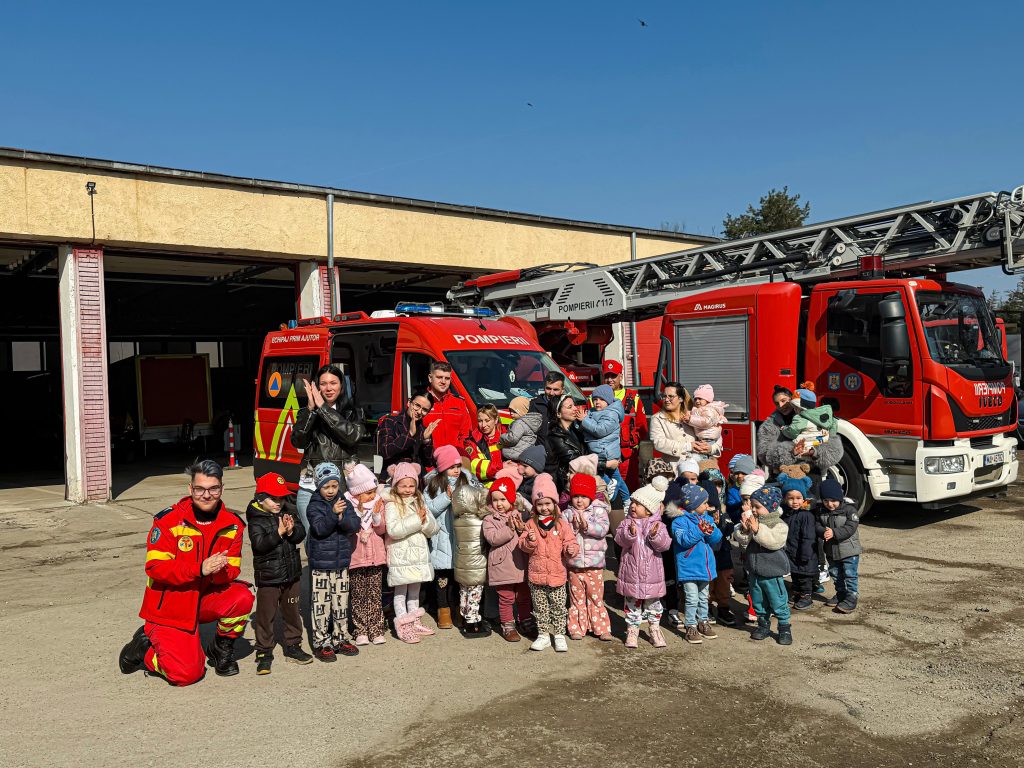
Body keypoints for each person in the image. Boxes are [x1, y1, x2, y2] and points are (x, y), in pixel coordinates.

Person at [118, 460, 254, 685]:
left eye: (213, 489)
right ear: (190, 489)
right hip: (171, 605)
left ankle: (221, 648)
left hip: (203, 598)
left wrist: (218, 571)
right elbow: (155, 568)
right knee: (187, 674)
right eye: (200, 489)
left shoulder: (233, 525)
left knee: (242, 597)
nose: (206, 495)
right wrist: (199, 569)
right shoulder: (168, 521)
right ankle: (145, 650)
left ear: (222, 488)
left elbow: (232, 570)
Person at [246, 472, 312, 674]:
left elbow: (300, 534)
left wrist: (291, 531)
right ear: (260, 498)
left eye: (281, 498)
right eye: (273, 499)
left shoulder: (287, 512)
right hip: (269, 577)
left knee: (292, 612)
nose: (278, 503)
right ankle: (264, 650)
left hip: (291, 574)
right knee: (266, 615)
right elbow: (259, 545)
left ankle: (293, 645)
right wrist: (278, 533)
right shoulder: (256, 519)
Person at [291, 364, 365, 530]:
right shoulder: (306, 412)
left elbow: (352, 437)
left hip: (343, 488)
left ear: (341, 385)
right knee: (313, 537)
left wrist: (323, 408)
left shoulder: (354, 412)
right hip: (311, 487)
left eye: (333, 383)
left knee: (342, 538)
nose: (328, 388)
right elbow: (298, 442)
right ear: (317, 387)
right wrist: (311, 410)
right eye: (323, 384)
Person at [306, 462, 361, 661]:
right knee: (321, 605)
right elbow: (319, 528)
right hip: (321, 565)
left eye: (334, 486)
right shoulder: (314, 505)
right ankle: (321, 641)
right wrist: (333, 514)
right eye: (326, 487)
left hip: (340, 563)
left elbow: (354, 525)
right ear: (318, 486)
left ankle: (340, 637)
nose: (331, 491)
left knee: (340, 603)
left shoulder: (343, 501)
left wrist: (341, 517)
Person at [519, 473, 579, 653]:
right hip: (536, 575)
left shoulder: (561, 524)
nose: (544, 508)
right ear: (535, 505)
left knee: (559, 607)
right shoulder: (531, 524)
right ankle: (543, 635)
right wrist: (529, 541)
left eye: (548, 503)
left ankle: (559, 635)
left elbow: (571, 542)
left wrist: (571, 549)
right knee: (540, 608)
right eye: (540, 504)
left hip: (557, 575)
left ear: (554, 503)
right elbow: (523, 545)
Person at [384, 462, 441, 643]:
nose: (408, 490)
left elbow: (433, 528)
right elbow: (393, 530)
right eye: (403, 485)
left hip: (418, 556)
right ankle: (403, 624)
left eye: (411, 485)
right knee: (401, 592)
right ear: (395, 485)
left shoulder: (420, 501)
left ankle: (414, 620)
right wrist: (417, 519)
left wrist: (424, 521)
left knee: (415, 591)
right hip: (401, 556)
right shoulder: (392, 504)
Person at [614, 476, 671, 649]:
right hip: (631, 575)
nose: (633, 506)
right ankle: (632, 631)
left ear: (649, 510)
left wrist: (655, 536)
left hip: (652, 576)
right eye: (632, 502)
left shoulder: (658, 526)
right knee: (632, 605)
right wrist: (630, 534)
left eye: (638, 504)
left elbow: (665, 545)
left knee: (654, 605)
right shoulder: (626, 523)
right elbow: (619, 540)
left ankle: (654, 629)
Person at [732, 486, 793, 645]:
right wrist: (745, 530)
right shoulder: (754, 520)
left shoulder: (779, 525)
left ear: (770, 507)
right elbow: (743, 541)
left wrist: (757, 529)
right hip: (754, 571)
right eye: (752, 506)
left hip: (772, 572)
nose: (753, 509)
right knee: (758, 600)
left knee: (778, 601)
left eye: (757, 507)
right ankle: (763, 624)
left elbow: (773, 542)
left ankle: (784, 627)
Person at [423, 444, 472, 631]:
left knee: (457, 579)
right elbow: (429, 510)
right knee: (442, 579)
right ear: (443, 468)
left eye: (458, 466)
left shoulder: (465, 481)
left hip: (460, 538)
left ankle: (457, 608)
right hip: (441, 540)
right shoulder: (433, 485)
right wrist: (446, 497)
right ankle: (443, 611)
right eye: (452, 467)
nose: (456, 470)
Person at [669, 483, 723, 645]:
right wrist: (700, 530)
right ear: (693, 505)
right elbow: (684, 540)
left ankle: (703, 621)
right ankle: (690, 626)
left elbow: (717, 538)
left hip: (705, 567)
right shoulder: (679, 522)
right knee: (692, 598)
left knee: (704, 597)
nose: (707, 506)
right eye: (704, 503)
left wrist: (711, 530)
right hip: (689, 568)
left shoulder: (707, 518)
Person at [562, 473, 613, 641]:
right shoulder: (567, 514)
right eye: (576, 496)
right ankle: (577, 627)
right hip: (574, 563)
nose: (579, 500)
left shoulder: (599, 510)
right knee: (576, 598)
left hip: (594, 564)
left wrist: (587, 526)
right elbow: (563, 534)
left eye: (584, 496)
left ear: (591, 496)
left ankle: (601, 627)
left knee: (596, 597)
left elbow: (603, 529)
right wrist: (574, 531)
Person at [482, 476, 533, 643]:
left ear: (511, 499)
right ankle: (508, 625)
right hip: (502, 565)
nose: (499, 504)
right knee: (506, 597)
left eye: (503, 499)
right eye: (495, 500)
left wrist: (522, 529)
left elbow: (527, 534)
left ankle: (525, 620)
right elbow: (493, 539)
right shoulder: (489, 519)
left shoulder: (519, 515)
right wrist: (510, 529)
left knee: (524, 595)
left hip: (520, 564)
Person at [344, 462, 389, 646]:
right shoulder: (348, 505)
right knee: (358, 595)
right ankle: (360, 629)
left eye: (373, 491)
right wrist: (357, 514)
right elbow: (347, 529)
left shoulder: (378, 503)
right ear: (356, 493)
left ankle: (376, 629)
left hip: (375, 557)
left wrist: (376, 516)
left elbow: (382, 529)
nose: (372, 495)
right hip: (356, 557)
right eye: (368, 492)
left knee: (375, 595)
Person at [757, 383, 844, 478]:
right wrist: (792, 452)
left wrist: (814, 452)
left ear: (792, 399)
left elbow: (834, 449)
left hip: (811, 472)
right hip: (784, 474)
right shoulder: (770, 425)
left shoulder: (815, 418)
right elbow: (764, 455)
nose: (781, 405)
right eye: (777, 403)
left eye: (783, 401)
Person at [546, 394, 616, 494]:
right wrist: (606, 464)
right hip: (568, 487)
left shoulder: (577, 429)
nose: (575, 409)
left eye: (574, 405)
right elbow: (576, 461)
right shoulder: (555, 436)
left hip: (584, 480)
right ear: (558, 414)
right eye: (570, 407)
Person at [600, 360, 649, 494]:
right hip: (604, 456)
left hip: (627, 456)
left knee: (630, 490)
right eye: (607, 376)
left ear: (621, 376)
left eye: (613, 376)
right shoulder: (595, 398)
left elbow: (642, 427)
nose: (610, 380)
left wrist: (630, 448)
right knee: (605, 492)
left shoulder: (633, 397)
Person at [451, 475, 490, 637]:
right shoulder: (480, 521)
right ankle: (472, 622)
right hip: (477, 564)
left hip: (462, 564)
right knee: (475, 592)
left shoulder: (457, 521)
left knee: (464, 591)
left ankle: (463, 615)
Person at [816, 478, 863, 614]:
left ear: (840, 498)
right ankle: (841, 593)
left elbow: (851, 527)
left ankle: (852, 597)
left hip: (849, 550)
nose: (830, 504)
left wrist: (834, 533)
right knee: (835, 574)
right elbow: (817, 525)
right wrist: (823, 531)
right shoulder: (821, 511)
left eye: (833, 500)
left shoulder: (849, 510)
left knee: (849, 574)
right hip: (831, 550)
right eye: (826, 501)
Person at [581, 383, 628, 507]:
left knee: (604, 475)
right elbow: (586, 428)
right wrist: (580, 421)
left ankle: (620, 498)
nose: (597, 402)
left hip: (605, 452)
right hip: (600, 450)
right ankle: (627, 500)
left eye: (601, 399)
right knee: (617, 479)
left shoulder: (611, 414)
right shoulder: (593, 412)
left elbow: (600, 430)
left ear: (608, 401)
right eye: (595, 399)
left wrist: (584, 420)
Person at [648, 382, 717, 464]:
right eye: (664, 396)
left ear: (680, 398)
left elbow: (714, 434)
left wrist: (711, 448)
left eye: (671, 396)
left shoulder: (693, 416)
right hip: (674, 468)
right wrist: (688, 446)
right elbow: (658, 443)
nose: (666, 400)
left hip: (699, 466)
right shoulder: (657, 418)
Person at [376, 389, 439, 477]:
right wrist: (409, 434)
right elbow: (385, 451)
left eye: (424, 410)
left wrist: (426, 441)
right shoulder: (390, 421)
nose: (419, 412)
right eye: (417, 405)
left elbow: (428, 463)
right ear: (409, 403)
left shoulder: (423, 429)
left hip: (416, 480)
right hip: (393, 477)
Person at [779, 471, 817, 612]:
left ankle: (806, 596)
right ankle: (796, 592)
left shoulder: (806, 515)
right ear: (785, 499)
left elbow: (808, 536)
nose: (795, 502)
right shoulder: (785, 514)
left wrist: (806, 553)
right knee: (795, 574)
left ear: (804, 498)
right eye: (791, 498)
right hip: (792, 550)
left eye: (798, 498)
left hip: (805, 553)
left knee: (804, 576)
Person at [422, 361, 472, 450]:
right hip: (428, 457)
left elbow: (466, 435)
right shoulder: (420, 402)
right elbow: (413, 434)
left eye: (447, 378)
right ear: (430, 378)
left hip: (455, 456)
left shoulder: (459, 402)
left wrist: (461, 453)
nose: (443, 381)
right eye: (439, 377)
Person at [687, 384, 728, 463]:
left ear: (708, 399)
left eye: (700, 398)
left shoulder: (709, 410)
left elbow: (706, 422)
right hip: (706, 438)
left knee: (703, 458)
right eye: (695, 399)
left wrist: (690, 419)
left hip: (707, 439)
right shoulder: (701, 409)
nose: (697, 401)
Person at [465, 404, 504, 482]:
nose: (483, 425)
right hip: (484, 485)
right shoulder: (471, 442)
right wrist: (501, 468)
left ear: (496, 420)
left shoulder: (507, 436)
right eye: (480, 421)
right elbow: (473, 466)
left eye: (487, 420)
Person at [499, 396, 543, 461]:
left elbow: (512, 439)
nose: (511, 413)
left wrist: (501, 437)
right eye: (510, 411)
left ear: (521, 411)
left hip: (515, 454)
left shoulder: (519, 423)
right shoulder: (530, 422)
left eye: (514, 411)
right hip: (525, 453)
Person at [529, 370, 565, 446]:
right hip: (541, 450)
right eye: (548, 388)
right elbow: (529, 432)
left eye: (556, 389)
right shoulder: (535, 404)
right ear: (544, 387)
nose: (551, 393)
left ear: (562, 390)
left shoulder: (567, 405)